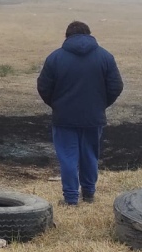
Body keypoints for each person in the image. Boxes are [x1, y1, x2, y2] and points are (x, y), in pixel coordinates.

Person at [36, 21, 124, 206]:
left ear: (67, 36)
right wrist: (100, 105)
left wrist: (56, 105)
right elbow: (116, 86)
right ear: (89, 34)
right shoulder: (105, 57)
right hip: (93, 117)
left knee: (68, 158)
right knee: (90, 155)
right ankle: (89, 194)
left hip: (64, 118)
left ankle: (70, 198)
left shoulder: (55, 58)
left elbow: (44, 87)